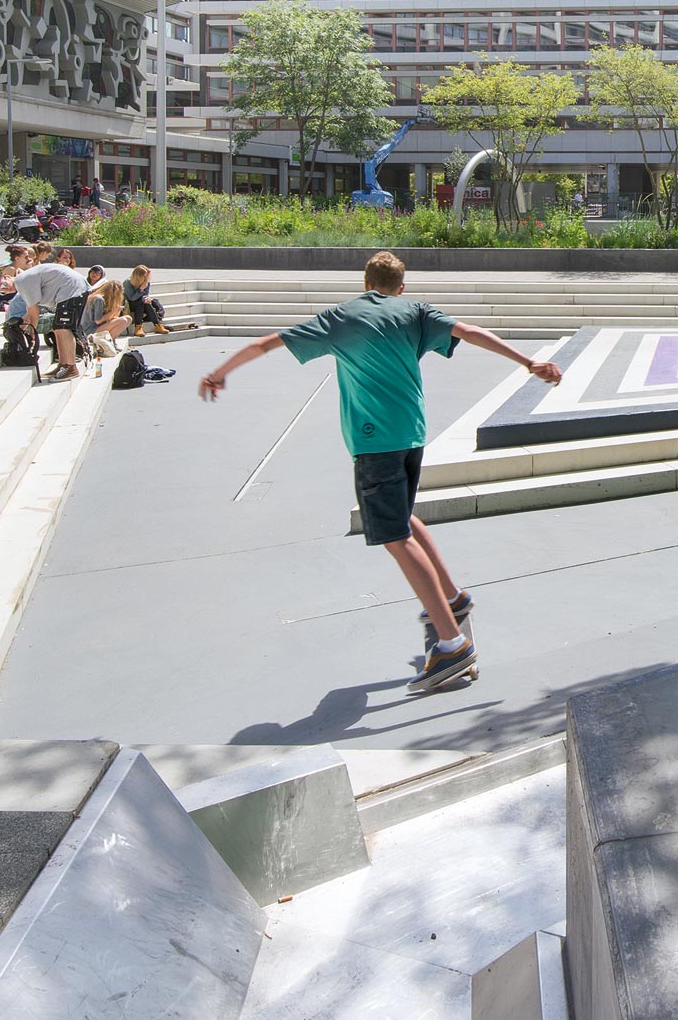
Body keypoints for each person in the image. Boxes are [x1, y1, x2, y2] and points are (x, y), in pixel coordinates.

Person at [197, 250, 564, 695]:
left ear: (365, 282)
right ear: (401, 287)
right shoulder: (415, 312)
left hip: (375, 443)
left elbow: (264, 344)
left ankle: (452, 644)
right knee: (403, 517)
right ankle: (452, 597)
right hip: (412, 435)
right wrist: (528, 362)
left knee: (394, 536)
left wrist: (219, 372)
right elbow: (469, 332)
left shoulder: (341, 317)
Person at [6, 246, 91, 379]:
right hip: (70, 290)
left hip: (72, 290)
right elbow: (30, 311)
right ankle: (63, 364)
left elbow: (34, 313)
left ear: (7, 277)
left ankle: (71, 367)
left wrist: (31, 333)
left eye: (3, 285)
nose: (5, 290)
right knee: (58, 328)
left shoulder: (21, 281)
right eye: (2, 291)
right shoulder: (24, 282)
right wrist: (23, 325)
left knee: (64, 329)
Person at [79, 277, 130, 358]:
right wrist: (114, 311)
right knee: (123, 320)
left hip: (96, 327)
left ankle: (111, 341)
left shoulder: (105, 299)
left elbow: (109, 319)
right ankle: (108, 343)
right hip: (89, 330)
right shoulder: (98, 299)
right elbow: (98, 321)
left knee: (128, 318)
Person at [126, 265, 170, 335]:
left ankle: (156, 325)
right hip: (131, 304)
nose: (146, 278)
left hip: (142, 303)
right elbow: (131, 298)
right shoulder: (128, 282)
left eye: (147, 276)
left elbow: (146, 294)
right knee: (140, 302)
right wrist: (141, 289)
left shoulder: (146, 282)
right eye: (144, 276)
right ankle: (140, 327)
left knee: (145, 303)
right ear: (138, 276)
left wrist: (146, 298)